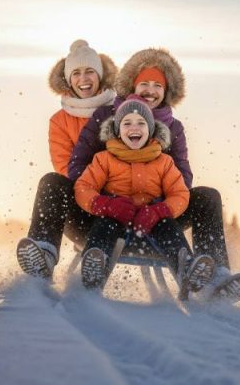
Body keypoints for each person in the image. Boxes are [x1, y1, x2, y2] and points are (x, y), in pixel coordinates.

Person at [69, 48, 240, 301]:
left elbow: (182, 183)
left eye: (158, 85)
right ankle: (84, 269)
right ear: (132, 84)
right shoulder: (105, 118)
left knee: (208, 196)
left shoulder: (173, 131)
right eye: (144, 83)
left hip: (157, 215)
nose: (150, 90)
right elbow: (78, 168)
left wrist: (158, 208)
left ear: (167, 92)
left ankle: (214, 279)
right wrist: (106, 202)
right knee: (64, 189)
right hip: (107, 212)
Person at [74, 95, 215, 293]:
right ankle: (95, 264)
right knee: (104, 226)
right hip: (115, 218)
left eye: (141, 123)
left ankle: (187, 268)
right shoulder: (104, 159)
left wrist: (160, 211)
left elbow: (180, 193)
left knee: (168, 227)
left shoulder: (164, 161)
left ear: (150, 131)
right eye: (127, 123)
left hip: (151, 225)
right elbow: (83, 187)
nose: (134, 127)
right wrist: (105, 205)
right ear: (117, 130)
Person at [16, 40, 117, 278]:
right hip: (82, 209)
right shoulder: (60, 121)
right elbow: (65, 169)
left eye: (90, 71)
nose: (84, 78)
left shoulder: (121, 111)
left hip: (119, 209)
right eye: (77, 73)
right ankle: (44, 252)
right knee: (52, 181)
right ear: (68, 80)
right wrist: (94, 190)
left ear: (100, 75)